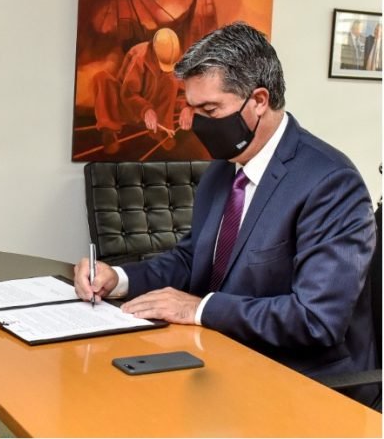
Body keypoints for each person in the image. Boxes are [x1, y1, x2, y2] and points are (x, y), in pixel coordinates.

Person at [75, 22, 378, 407]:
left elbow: (316, 319)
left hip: (303, 384)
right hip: (219, 358)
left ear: (259, 100)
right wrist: (117, 278)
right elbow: (191, 259)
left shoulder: (331, 183)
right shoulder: (224, 168)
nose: (198, 124)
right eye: (192, 109)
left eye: (210, 110)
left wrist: (199, 308)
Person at [94, 27, 194, 154]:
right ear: (154, 50)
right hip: (128, 106)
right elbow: (128, 93)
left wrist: (186, 107)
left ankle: (161, 130)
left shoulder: (175, 59)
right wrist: (146, 110)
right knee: (101, 78)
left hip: (155, 111)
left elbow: (181, 91)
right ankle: (109, 130)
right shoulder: (139, 57)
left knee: (170, 80)